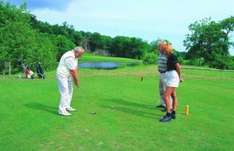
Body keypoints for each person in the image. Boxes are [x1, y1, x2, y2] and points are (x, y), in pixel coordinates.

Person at [56, 46, 85, 116]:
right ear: (77, 52)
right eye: (81, 54)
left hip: (68, 75)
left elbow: (75, 68)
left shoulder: (76, 56)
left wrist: (75, 79)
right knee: (65, 91)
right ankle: (61, 110)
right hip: (62, 75)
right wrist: (76, 81)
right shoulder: (70, 57)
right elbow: (73, 71)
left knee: (70, 90)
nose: (81, 56)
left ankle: (67, 106)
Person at [160, 43, 182, 122]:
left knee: (166, 96)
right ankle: (173, 113)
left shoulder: (172, 56)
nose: (162, 51)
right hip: (170, 75)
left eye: (163, 49)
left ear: (167, 49)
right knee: (173, 95)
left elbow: (178, 67)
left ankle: (168, 114)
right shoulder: (168, 56)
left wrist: (180, 77)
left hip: (173, 76)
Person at [156, 41, 172, 111]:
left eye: (160, 46)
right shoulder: (160, 53)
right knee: (161, 90)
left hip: (166, 74)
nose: (158, 47)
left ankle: (169, 107)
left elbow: (171, 64)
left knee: (166, 91)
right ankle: (163, 104)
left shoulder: (166, 54)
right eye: (158, 46)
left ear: (163, 47)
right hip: (161, 73)